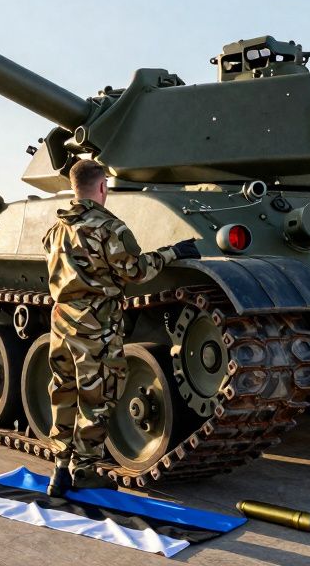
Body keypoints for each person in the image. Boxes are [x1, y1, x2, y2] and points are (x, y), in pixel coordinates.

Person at [41, 159, 200, 496]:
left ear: (74, 187)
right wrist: (173, 253)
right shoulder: (109, 227)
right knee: (97, 395)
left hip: (61, 322)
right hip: (96, 324)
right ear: (103, 188)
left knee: (65, 391)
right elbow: (136, 271)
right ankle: (83, 469)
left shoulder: (56, 229)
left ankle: (59, 468)